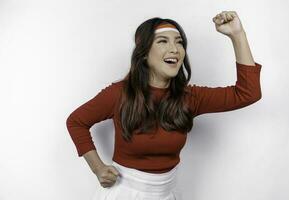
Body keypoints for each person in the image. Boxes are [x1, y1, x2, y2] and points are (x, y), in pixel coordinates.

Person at [66, 11, 262, 200]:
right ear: (144, 54)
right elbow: (76, 121)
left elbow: (248, 93)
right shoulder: (120, 93)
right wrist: (98, 168)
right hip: (124, 193)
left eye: (179, 43)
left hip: (167, 193)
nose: (175, 49)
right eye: (163, 41)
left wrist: (237, 35)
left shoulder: (190, 97)